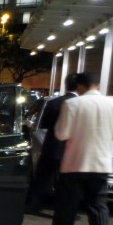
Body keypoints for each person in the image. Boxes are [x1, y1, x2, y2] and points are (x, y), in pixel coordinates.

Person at [45, 72, 113, 225]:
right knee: (98, 206)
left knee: (67, 204)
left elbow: (62, 134)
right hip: (101, 164)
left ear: (80, 86)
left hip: (75, 163)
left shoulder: (72, 104)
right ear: (97, 85)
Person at [27, 73, 78, 213]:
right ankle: (63, 211)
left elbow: (44, 124)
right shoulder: (80, 105)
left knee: (42, 179)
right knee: (64, 184)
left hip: (51, 146)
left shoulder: (54, 102)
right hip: (70, 150)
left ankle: (34, 206)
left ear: (66, 85)